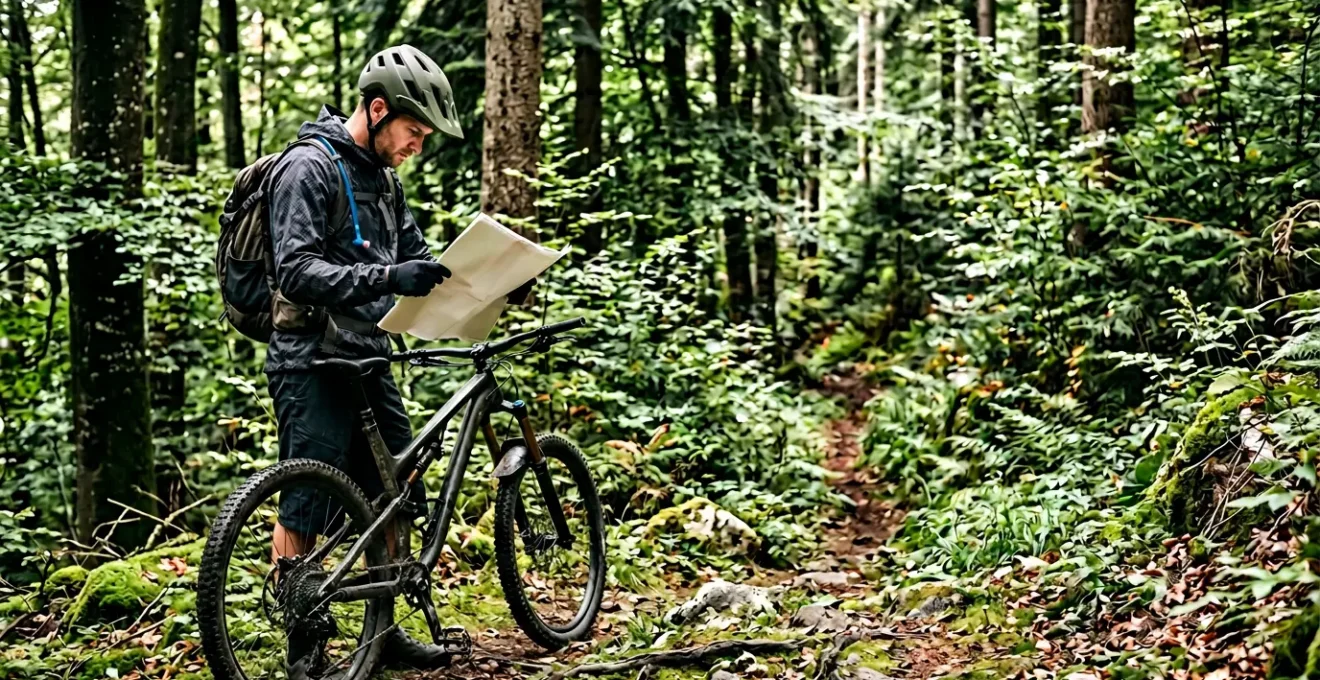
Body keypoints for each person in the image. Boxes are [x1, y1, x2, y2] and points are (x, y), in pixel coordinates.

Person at [264, 44, 530, 672]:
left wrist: (495, 279)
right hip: (311, 356)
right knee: (305, 499)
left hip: (368, 354)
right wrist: (387, 275)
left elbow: (423, 264)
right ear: (378, 110)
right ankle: (303, 647)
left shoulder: (384, 181)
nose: (417, 146)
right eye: (413, 131)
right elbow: (296, 270)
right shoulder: (309, 168)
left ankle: (381, 632)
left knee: (397, 484)